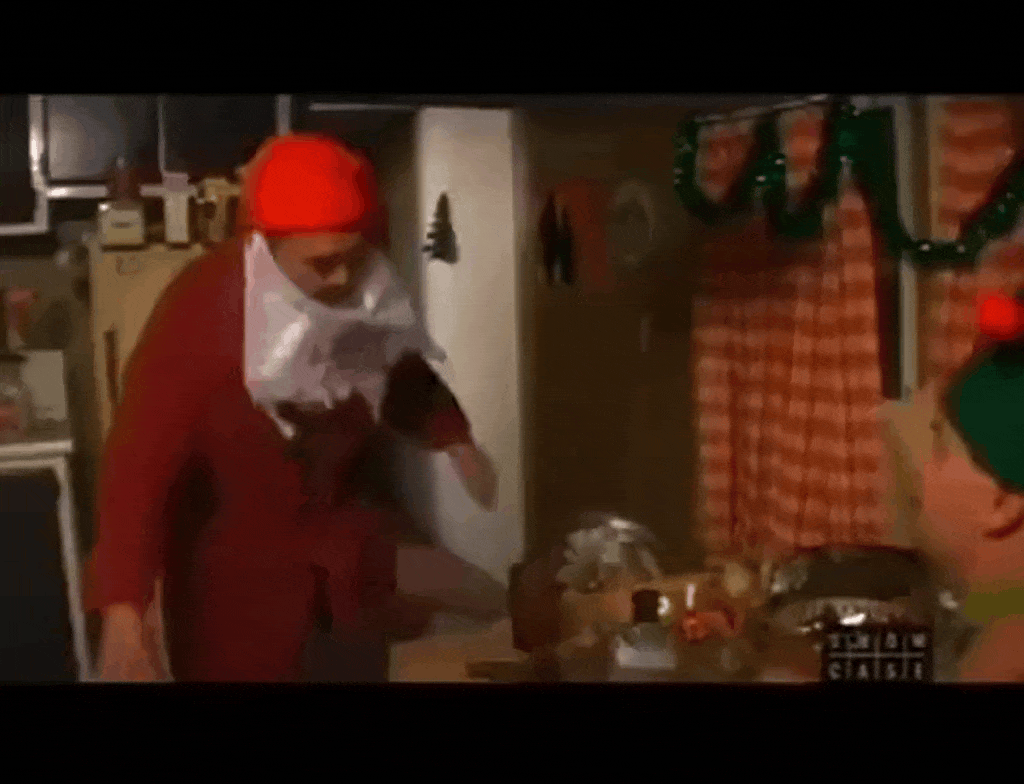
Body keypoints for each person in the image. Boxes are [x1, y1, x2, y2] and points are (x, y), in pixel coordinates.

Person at [87, 133, 497, 682]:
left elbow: (396, 370)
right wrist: (124, 612)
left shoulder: (358, 284)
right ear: (266, 246)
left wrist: (454, 437)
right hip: (233, 591)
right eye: (322, 264)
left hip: (345, 558)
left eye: (355, 257)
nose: (343, 278)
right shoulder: (202, 312)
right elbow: (137, 469)